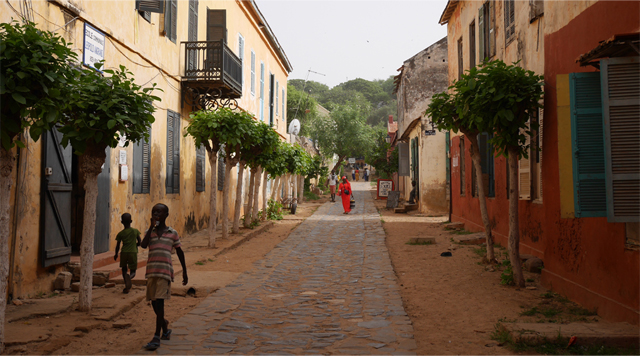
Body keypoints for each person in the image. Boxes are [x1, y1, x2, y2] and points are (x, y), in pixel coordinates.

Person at [140, 203, 188, 351]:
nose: (156, 214)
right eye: (154, 212)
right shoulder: (151, 232)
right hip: (152, 272)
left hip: (165, 272)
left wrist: (185, 271)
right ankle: (165, 326)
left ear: (166, 215)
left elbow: (180, 252)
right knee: (154, 303)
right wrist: (150, 227)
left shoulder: (172, 233)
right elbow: (143, 245)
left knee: (160, 303)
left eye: (159, 212)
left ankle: (156, 336)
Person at [114, 213, 141, 294]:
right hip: (133, 252)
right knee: (133, 270)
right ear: (131, 221)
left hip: (124, 253)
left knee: (124, 269)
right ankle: (130, 276)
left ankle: (126, 286)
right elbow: (140, 242)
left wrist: (116, 254)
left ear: (122, 222)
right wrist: (135, 245)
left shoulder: (120, 234)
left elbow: (117, 246)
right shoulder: (135, 231)